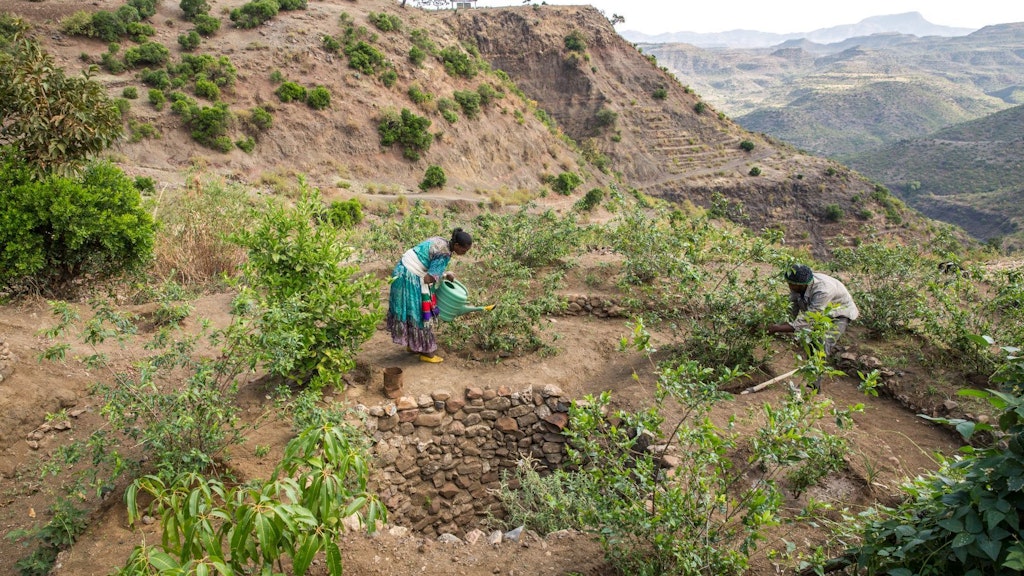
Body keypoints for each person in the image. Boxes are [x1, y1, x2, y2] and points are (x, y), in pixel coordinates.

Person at [386, 228, 472, 363]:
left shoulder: (439, 240)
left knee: (410, 311)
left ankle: (413, 345)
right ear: (456, 246)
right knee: (421, 314)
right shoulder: (445, 254)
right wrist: (442, 276)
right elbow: (428, 279)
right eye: (464, 250)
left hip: (400, 270)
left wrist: (442, 273)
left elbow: (426, 262)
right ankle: (427, 353)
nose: (464, 253)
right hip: (409, 277)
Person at [768, 264, 859, 357]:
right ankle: (810, 361)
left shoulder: (823, 290)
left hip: (839, 313)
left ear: (802, 285)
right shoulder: (797, 284)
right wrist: (781, 324)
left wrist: (777, 328)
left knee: (823, 342)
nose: (789, 286)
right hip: (821, 311)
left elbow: (810, 317)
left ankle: (818, 367)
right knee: (811, 340)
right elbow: (792, 308)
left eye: (791, 284)